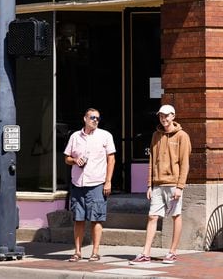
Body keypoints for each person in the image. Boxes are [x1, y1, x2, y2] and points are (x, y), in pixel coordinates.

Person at [129, 104, 192, 265]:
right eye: (160, 115)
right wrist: (149, 184)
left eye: (166, 115)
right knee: (152, 216)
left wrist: (180, 186)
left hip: (173, 183)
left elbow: (185, 163)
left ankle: (172, 252)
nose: (163, 118)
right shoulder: (155, 135)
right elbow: (152, 160)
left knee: (176, 215)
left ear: (173, 116)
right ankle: (145, 253)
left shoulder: (182, 136)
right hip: (157, 183)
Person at [63, 107, 116, 262]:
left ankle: (95, 251)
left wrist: (108, 181)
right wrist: (74, 160)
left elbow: (111, 159)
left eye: (98, 118)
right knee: (78, 218)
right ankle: (77, 252)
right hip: (78, 183)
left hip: (97, 183)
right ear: (85, 119)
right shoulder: (75, 137)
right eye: (92, 117)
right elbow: (66, 158)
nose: (95, 121)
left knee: (96, 218)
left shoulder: (105, 136)